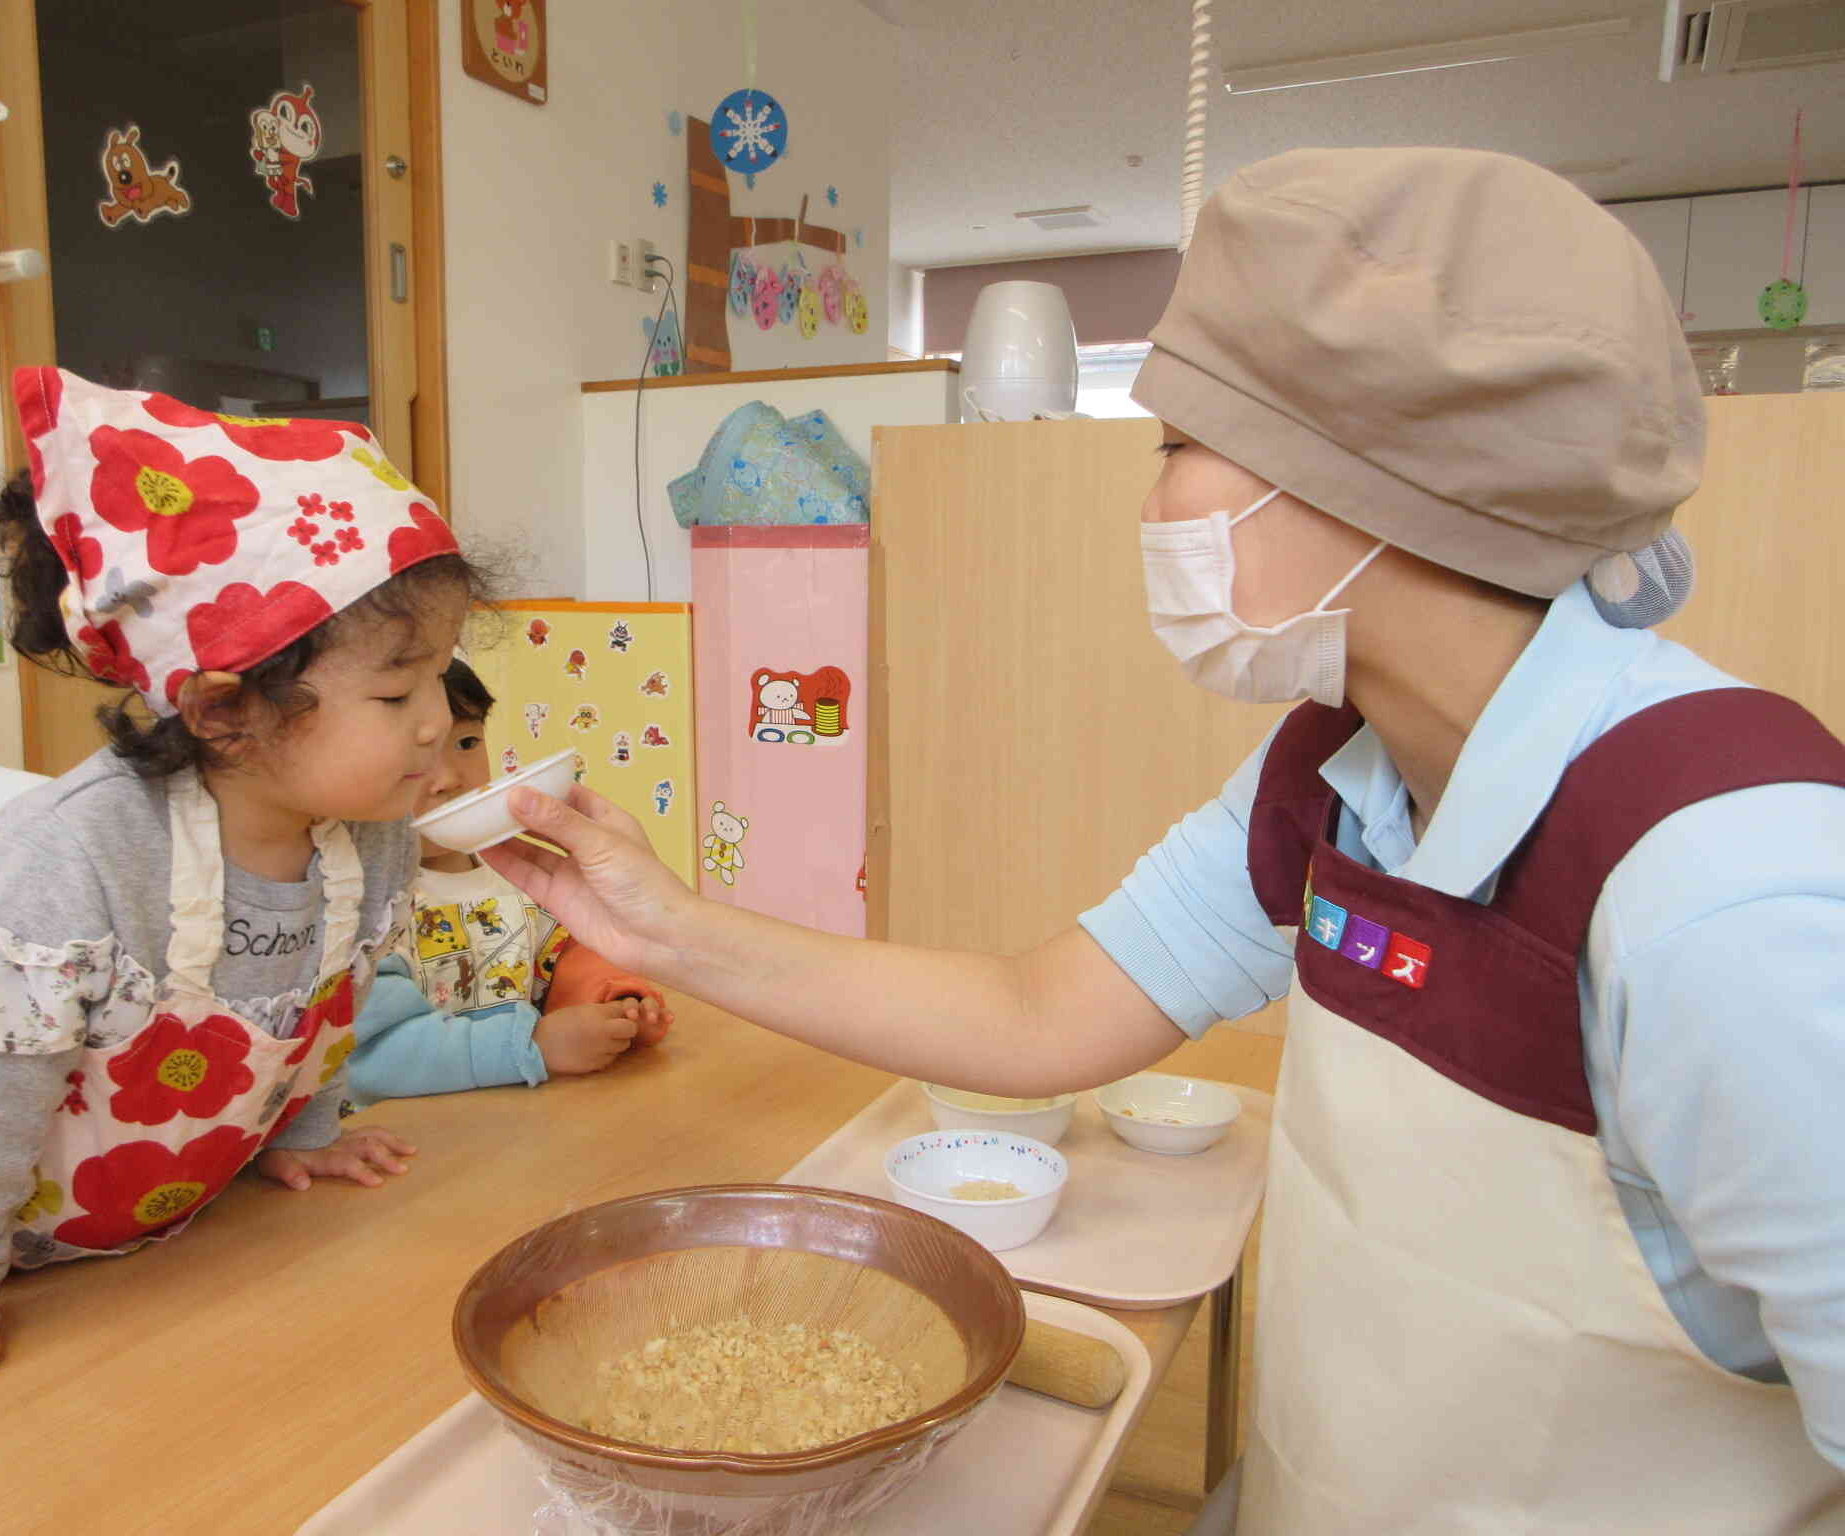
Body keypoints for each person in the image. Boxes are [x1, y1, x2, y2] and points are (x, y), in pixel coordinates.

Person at [478, 149, 1845, 1531]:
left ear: (1370, 478)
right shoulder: (1334, 771)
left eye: (1177, 448)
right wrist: (661, 924)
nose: (1151, 505)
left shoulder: (1730, 890)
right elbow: (1037, 1012)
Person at [0, 369, 490, 1444]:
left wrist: (295, 1132)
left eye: (442, 680)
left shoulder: (373, 835)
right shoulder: (72, 858)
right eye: (396, 694)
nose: (436, 723)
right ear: (226, 712)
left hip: (123, 1266)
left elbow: (318, 1002)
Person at [345, 653, 671, 1108]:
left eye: (466, 744)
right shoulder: (358, 898)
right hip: (405, 1139)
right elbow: (370, 1058)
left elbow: (566, 954)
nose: (448, 779)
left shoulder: (519, 868)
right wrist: (534, 1044)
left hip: (516, 1119)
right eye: (417, 757)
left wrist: (615, 1003)